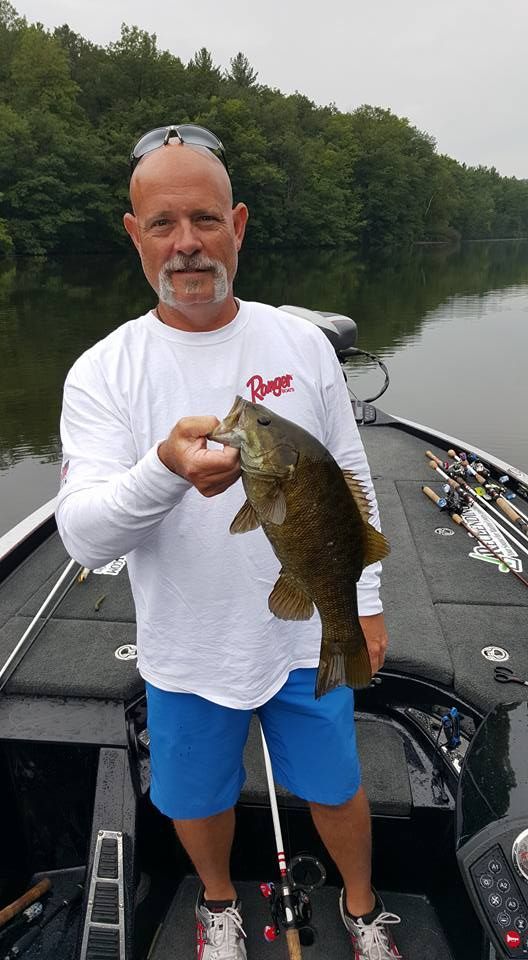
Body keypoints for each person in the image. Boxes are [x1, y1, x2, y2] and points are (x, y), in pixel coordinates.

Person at [56, 124, 402, 960]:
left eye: (205, 220)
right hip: (186, 646)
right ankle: (218, 906)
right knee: (194, 797)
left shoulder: (301, 343)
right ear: (135, 235)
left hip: (301, 629)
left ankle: (362, 910)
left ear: (238, 226)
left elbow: (345, 467)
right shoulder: (104, 371)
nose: (188, 246)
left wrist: (364, 603)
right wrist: (166, 472)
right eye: (164, 225)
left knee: (337, 784)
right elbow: (83, 534)